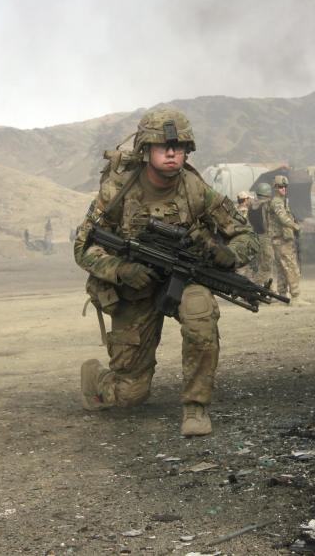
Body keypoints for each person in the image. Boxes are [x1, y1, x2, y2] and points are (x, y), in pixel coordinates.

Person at [74, 107, 258, 437]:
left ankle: (195, 407)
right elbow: (83, 247)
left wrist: (229, 254)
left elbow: (246, 235)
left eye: (179, 146)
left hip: (182, 278)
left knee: (200, 312)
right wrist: (121, 269)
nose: (172, 152)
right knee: (130, 395)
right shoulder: (116, 191)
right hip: (135, 288)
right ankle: (97, 378)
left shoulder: (196, 189)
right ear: (145, 150)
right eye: (162, 146)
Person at [267, 175, 308, 306]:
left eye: (285, 186)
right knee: (290, 267)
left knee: (282, 269)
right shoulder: (277, 202)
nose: (283, 189)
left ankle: (282, 296)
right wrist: (296, 226)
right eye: (280, 186)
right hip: (282, 241)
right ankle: (295, 296)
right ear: (275, 188)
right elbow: (283, 218)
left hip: (280, 240)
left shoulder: (282, 201)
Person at [251, 183, 275, 287]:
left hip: (255, 237)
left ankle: (269, 289)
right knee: (267, 265)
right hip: (265, 238)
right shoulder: (266, 205)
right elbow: (268, 223)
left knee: (260, 264)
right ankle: (254, 286)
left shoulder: (251, 206)